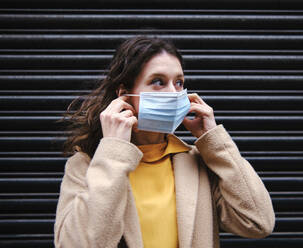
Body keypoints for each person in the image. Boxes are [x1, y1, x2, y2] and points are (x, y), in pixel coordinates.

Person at [54, 36, 275, 248]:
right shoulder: (85, 165)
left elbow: (258, 223)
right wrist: (113, 152)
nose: (173, 93)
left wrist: (215, 141)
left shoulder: (198, 163)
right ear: (124, 95)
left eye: (179, 83)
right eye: (158, 82)